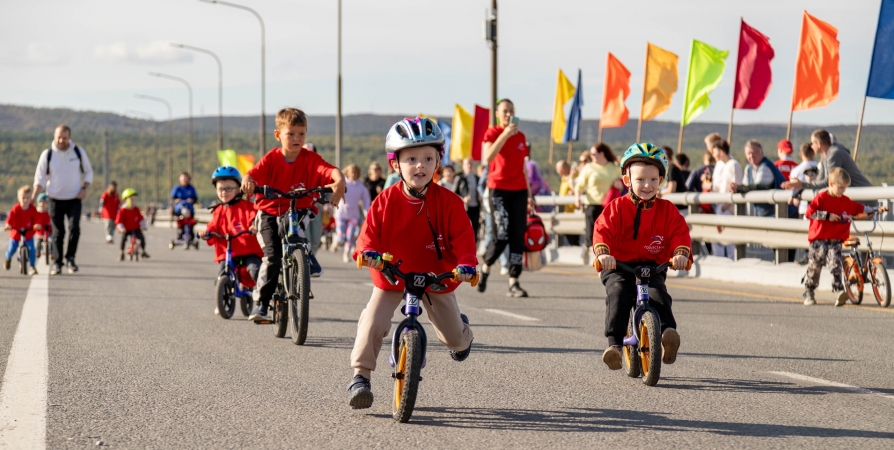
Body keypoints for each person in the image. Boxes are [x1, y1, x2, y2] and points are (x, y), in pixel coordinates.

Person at [347, 117, 475, 409]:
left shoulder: (450, 202)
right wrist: (367, 253)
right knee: (373, 320)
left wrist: (467, 263)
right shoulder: (385, 201)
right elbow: (367, 237)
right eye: (412, 159)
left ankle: (463, 333)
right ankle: (360, 377)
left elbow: (464, 240)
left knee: (455, 339)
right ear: (395, 164)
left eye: (428, 158)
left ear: (438, 161)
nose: (420, 165)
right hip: (394, 274)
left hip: (436, 276)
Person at [241, 108, 346, 322]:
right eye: (291, 134)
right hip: (270, 211)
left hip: (299, 208)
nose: (297, 138)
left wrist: (340, 181)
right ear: (278, 135)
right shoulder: (271, 158)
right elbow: (252, 173)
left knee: (297, 221)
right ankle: (260, 304)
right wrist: (248, 181)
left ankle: (304, 255)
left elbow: (329, 170)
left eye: (301, 134)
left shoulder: (310, 158)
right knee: (272, 257)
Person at [592, 143, 689, 371]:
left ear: (661, 181)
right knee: (619, 292)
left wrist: (680, 253)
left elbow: (679, 233)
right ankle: (614, 346)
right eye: (641, 179)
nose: (647, 185)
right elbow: (602, 230)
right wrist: (603, 253)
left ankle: (667, 335)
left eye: (654, 179)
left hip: (652, 265)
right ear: (627, 181)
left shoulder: (667, 210)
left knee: (658, 295)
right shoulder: (616, 208)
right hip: (618, 264)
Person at [477, 99, 533, 298]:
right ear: (498, 114)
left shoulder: (521, 137)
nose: (508, 114)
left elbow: (524, 168)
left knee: (518, 235)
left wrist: (530, 194)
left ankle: (514, 281)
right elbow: (488, 157)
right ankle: (485, 267)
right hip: (498, 189)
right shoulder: (492, 133)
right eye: (505, 111)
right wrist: (505, 133)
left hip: (519, 190)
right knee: (501, 234)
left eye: (511, 111)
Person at [801, 169, 878, 307]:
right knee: (815, 265)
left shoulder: (844, 201)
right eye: (840, 187)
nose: (843, 191)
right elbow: (809, 213)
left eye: (845, 188)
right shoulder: (821, 198)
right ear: (831, 184)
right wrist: (826, 216)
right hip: (819, 238)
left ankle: (838, 291)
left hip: (835, 239)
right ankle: (809, 291)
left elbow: (858, 207)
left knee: (835, 263)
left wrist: (873, 210)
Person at [32, 124, 94, 275]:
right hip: (54, 198)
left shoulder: (78, 152)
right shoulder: (47, 154)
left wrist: (84, 188)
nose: (61, 140)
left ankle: (70, 258)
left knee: (75, 228)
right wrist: (34, 197)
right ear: (54, 136)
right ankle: (57, 263)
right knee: (58, 232)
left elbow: (88, 172)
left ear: (69, 138)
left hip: (74, 198)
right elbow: (40, 178)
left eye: (65, 138)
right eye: (59, 137)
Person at [205, 166, 263, 315]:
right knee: (220, 275)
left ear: (239, 189)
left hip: (247, 250)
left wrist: (253, 226)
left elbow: (253, 218)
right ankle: (222, 300)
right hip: (228, 252)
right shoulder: (218, 210)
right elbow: (212, 226)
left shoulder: (247, 207)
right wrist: (206, 233)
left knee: (255, 270)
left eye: (229, 188)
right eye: (221, 189)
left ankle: (261, 297)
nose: (224, 192)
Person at [783, 129, 872, 192]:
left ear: (818, 144)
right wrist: (801, 187)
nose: (811, 146)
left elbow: (829, 181)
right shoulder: (825, 156)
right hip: (853, 197)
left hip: (862, 198)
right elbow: (820, 180)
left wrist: (802, 185)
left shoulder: (834, 154)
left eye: (812, 143)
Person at [575, 143, 621, 257]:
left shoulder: (614, 168)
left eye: (593, 154)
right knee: (591, 231)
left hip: (608, 206)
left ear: (602, 154)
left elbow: (624, 185)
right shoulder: (589, 167)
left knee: (607, 232)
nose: (591, 156)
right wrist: (577, 198)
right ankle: (590, 250)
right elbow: (579, 185)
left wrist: (619, 185)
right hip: (591, 204)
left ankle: (600, 253)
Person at [729, 140, 789, 218]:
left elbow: (759, 186)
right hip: (761, 214)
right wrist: (736, 187)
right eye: (748, 153)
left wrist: (739, 188)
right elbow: (746, 185)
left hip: (777, 214)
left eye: (754, 152)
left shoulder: (766, 167)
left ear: (762, 153)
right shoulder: (749, 168)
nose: (751, 156)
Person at [710, 140, 742, 259]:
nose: (713, 156)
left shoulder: (733, 164)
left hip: (728, 208)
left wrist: (727, 205)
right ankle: (722, 259)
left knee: (730, 240)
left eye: (715, 153)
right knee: (719, 237)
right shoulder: (724, 165)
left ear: (721, 152)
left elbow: (736, 185)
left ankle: (732, 260)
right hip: (721, 206)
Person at [334, 164, 371, 263]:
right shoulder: (343, 183)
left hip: (353, 215)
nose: (353, 174)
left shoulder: (361, 187)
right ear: (348, 173)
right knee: (341, 235)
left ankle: (346, 254)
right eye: (351, 172)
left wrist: (367, 213)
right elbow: (334, 192)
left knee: (350, 236)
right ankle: (337, 240)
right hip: (341, 213)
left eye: (355, 172)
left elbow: (366, 201)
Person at [3, 185, 38, 274]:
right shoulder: (16, 209)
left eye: (28, 197)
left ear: (31, 198)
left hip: (28, 232)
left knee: (32, 249)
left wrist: (37, 225)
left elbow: (37, 218)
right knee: (12, 248)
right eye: (23, 198)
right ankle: (8, 258)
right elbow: (10, 218)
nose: (26, 200)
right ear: (19, 198)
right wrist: (8, 225)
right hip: (16, 232)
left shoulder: (32, 209)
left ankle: (32, 266)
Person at [115, 188, 149, 261]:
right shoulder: (123, 210)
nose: (133, 201)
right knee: (123, 239)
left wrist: (144, 226)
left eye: (134, 199)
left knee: (142, 238)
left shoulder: (136, 209)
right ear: (126, 200)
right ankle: (122, 252)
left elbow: (141, 219)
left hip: (136, 228)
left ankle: (143, 251)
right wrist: (121, 228)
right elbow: (119, 222)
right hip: (126, 229)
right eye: (131, 199)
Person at [303, 143, 324, 254]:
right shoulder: (296, 167)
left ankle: (312, 260)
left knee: (316, 239)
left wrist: (329, 204)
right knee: (305, 238)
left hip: (316, 206)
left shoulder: (320, 169)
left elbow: (327, 185)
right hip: (300, 206)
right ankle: (304, 263)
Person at [455, 158, 481, 243]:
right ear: (463, 166)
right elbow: (453, 194)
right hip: (464, 208)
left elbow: (481, 190)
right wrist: (463, 199)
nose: (469, 165)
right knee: (463, 229)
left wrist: (480, 196)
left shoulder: (477, 178)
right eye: (467, 164)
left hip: (476, 207)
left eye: (471, 163)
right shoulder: (460, 178)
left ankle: (473, 250)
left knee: (475, 228)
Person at [659, 146, 687, 212]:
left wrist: (659, 192)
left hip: (681, 209)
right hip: (678, 208)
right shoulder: (670, 169)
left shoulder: (672, 169)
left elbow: (671, 189)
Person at [33, 193, 52, 261]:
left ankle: (52, 252)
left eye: (44, 202)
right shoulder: (37, 212)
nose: (42, 204)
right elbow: (33, 221)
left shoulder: (50, 212)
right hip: (40, 232)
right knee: (38, 241)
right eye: (40, 202)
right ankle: (38, 251)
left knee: (52, 240)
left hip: (49, 231)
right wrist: (35, 225)